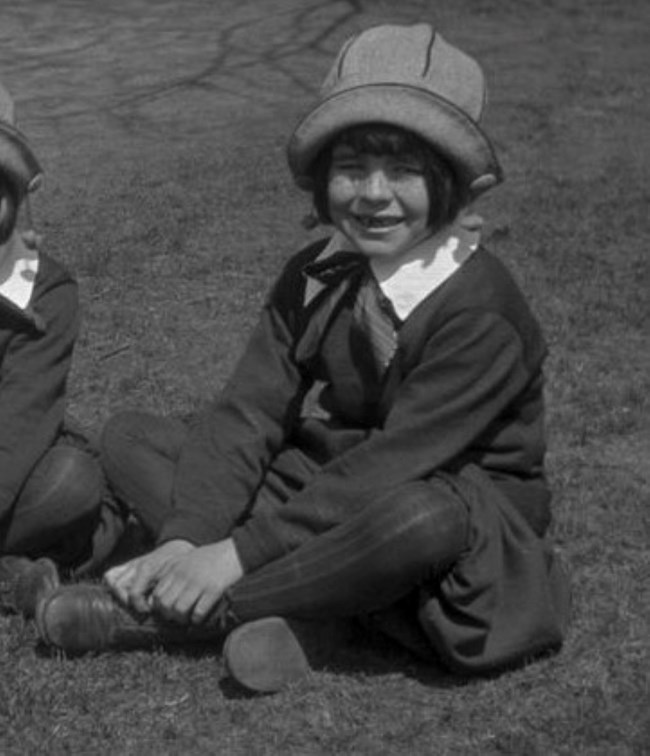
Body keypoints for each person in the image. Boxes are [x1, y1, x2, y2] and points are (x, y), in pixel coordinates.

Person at [35, 23, 570, 691]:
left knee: (419, 516)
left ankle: (184, 615)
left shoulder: (479, 307)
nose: (373, 194)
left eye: (404, 171)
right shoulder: (317, 273)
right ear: (322, 181)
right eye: (351, 169)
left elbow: (394, 464)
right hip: (333, 483)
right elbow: (249, 408)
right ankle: (322, 607)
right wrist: (186, 537)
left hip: (454, 522)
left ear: (452, 185)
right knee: (132, 438)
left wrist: (233, 555)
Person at [0, 80, 126, 617]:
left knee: (72, 482)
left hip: (10, 467)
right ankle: (14, 577)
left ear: (15, 195)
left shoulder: (45, 291)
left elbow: (18, 425)